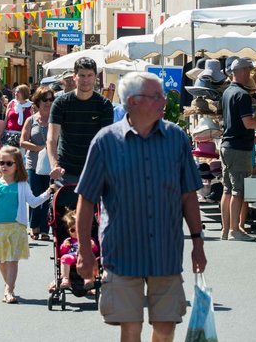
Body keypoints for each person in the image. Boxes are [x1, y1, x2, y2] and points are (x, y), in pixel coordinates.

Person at [76, 72, 206, 342]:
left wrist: (198, 243)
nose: (164, 100)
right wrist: (85, 253)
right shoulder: (105, 141)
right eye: (156, 95)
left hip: (166, 252)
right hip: (123, 252)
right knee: (130, 328)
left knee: (167, 326)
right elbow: (86, 200)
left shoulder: (176, 138)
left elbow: (188, 195)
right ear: (133, 101)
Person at [0, 145, 53, 304]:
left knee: (13, 260)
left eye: (8, 163)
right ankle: (8, 285)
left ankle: (9, 289)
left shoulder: (22, 185)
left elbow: (34, 202)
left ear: (17, 165)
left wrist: (48, 192)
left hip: (16, 227)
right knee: (2, 260)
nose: (4, 166)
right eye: (1, 163)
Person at [220, 57, 256, 241]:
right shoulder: (242, 95)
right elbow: (248, 122)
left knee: (227, 189)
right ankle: (235, 230)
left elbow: (234, 122)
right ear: (243, 71)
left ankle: (227, 229)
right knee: (239, 190)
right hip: (238, 148)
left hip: (227, 145)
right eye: (249, 70)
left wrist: (252, 136)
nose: (251, 74)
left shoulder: (228, 92)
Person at [47, 57, 114, 184]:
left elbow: (107, 140)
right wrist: (54, 165)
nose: (86, 80)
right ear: (74, 77)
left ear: (95, 77)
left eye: (89, 75)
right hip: (65, 171)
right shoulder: (61, 103)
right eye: (82, 75)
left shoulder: (104, 105)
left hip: (94, 171)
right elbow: (51, 138)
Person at [20, 86, 53, 240]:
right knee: (34, 194)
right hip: (33, 163)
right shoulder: (31, 120)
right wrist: (39, 148)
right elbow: (23, 141)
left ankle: (45, 228)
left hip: (51, 164)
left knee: (48, 195)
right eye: (45, 99)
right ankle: (34, 226)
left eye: (51, 99)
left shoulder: (56, 119)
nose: (48, 102)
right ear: (38, 101)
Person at [59, 209, 97, 290]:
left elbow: (96, 251)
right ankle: (65, 278)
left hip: (85, 257)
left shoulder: (88, 239)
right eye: (73, 230)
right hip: (71, 257)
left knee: (90, 257)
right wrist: (64, 246)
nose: (76, 232)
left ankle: (89, 278)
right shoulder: (68, 240)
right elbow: (62, 252)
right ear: (68, 231)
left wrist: (93, 246)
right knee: (65, 257)